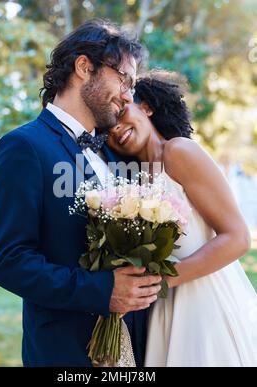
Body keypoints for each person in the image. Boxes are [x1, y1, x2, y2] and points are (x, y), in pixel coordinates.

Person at [0, 19, 161, 367]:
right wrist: (101, 291)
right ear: (84, 67)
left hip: (135, 351)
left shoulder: (113, 154)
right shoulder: (23, 147)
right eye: (124, 79)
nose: (128, 95)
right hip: (66, 352)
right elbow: (7, 260)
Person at [107, 69, 257, 366]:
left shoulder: (178, 152)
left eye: (121, 113)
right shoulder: (135, 181)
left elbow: (238, 238)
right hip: (164, 309)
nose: (115, 130)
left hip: (204, 303)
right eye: (106, 129)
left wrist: (161, 281)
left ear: (146, 106)